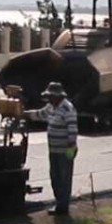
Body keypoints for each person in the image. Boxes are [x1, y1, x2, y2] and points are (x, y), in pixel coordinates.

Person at [26, 81, 78, 216]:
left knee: (64, 178)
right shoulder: (51, 107)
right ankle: (59, 203)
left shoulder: (68, 108)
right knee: (55, 177)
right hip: (53, 150)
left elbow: (72, 130)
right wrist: (23, 113)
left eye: (50, 96)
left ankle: (63, 207)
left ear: (58, 96)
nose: (48, 99)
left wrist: (70, 149)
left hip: (64, 151)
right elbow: (39, 114)